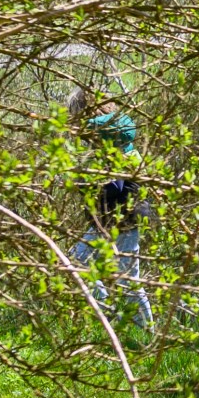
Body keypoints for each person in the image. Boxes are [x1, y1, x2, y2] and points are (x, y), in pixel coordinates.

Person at [68, 90, 153, 328]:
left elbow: (114, 185)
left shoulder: (109, 141)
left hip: (121, 219)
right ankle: (115, 319)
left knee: (126, 279)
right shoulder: (116, 138)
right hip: (110, 218)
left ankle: (144, 332)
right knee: (82, 265)